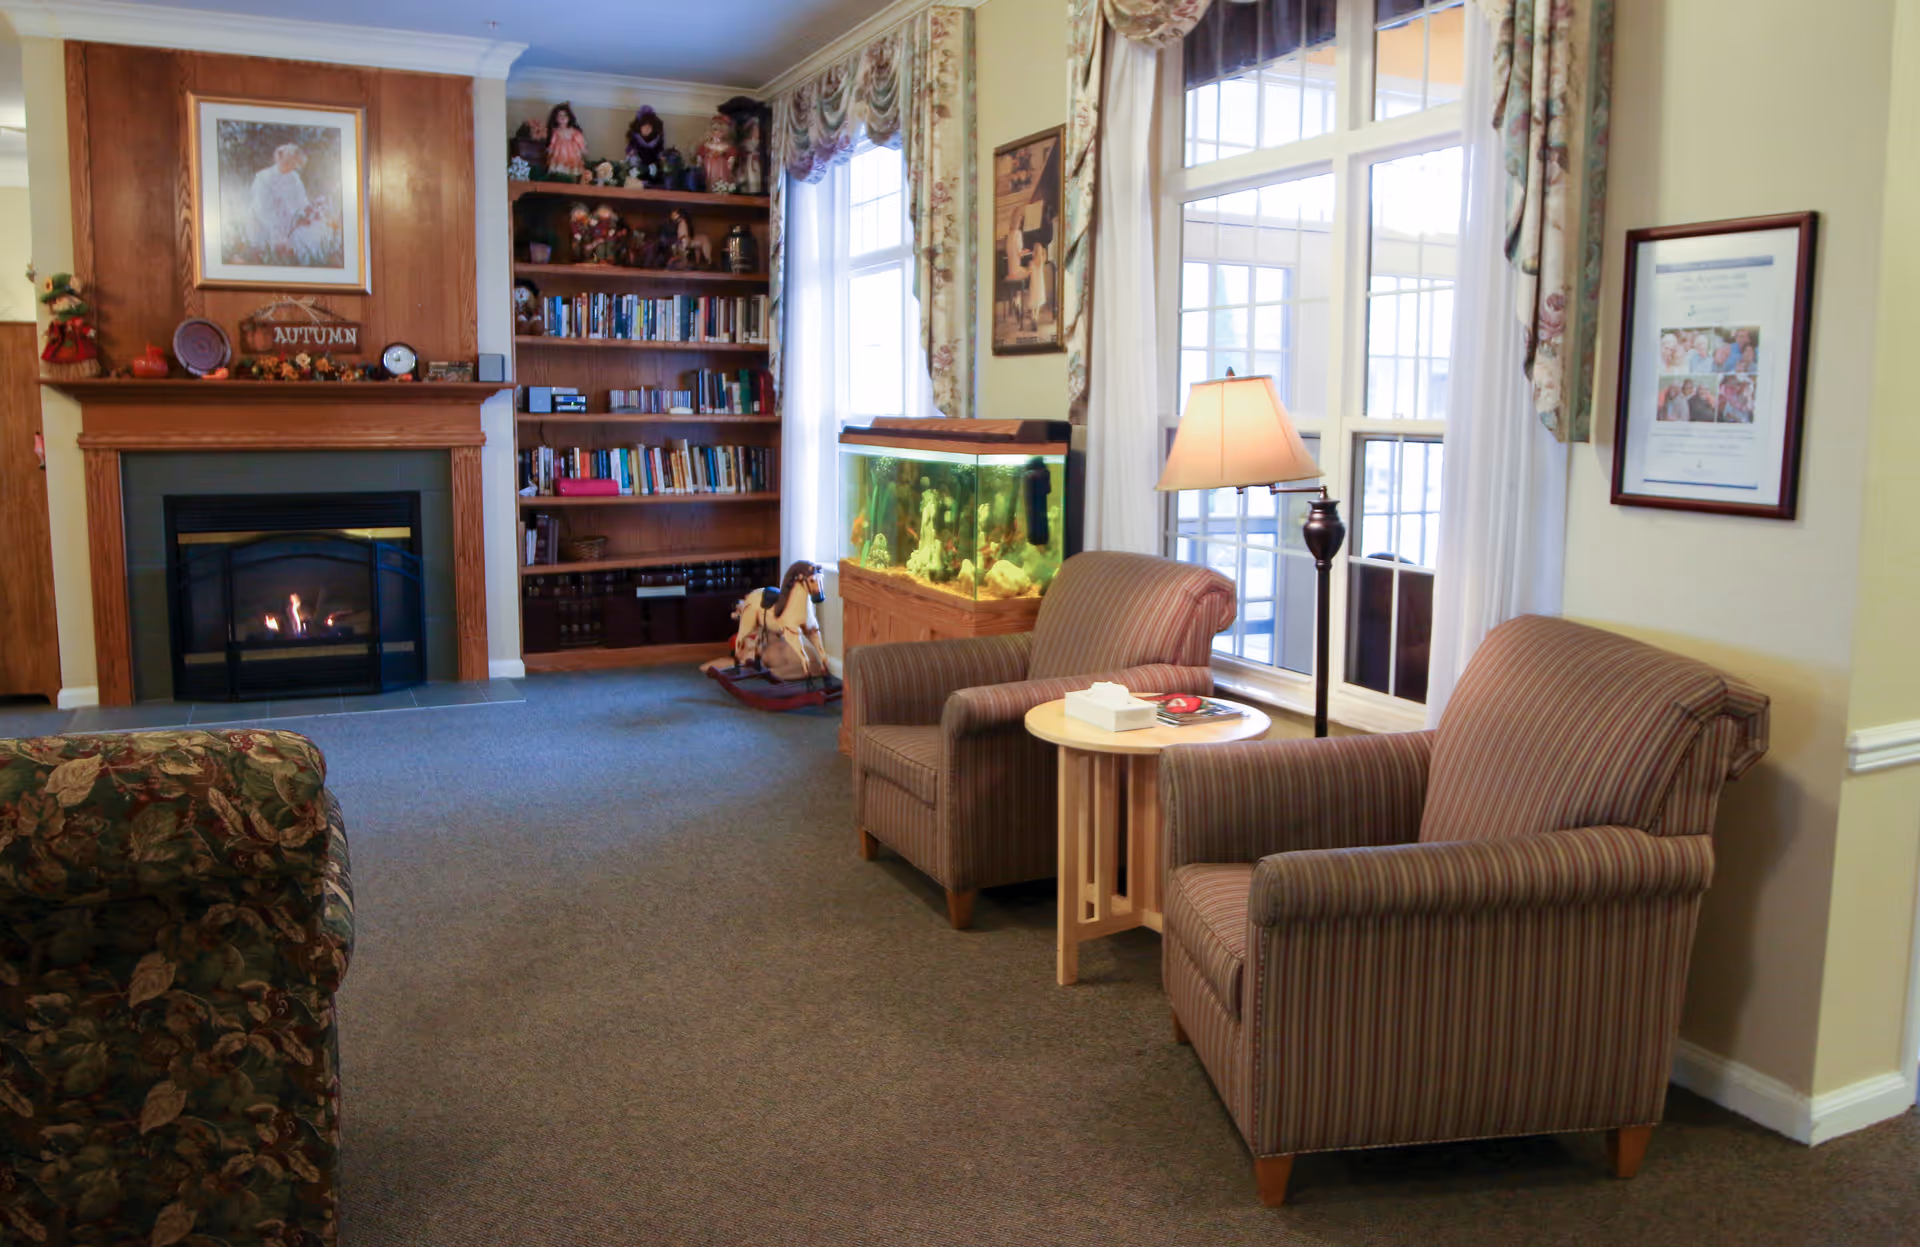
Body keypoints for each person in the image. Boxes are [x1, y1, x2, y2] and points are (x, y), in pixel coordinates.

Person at [249, 143, 309, 259]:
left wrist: (304, 213)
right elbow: (261, 208)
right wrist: (278, 230)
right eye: (289, 163)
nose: (291, 167)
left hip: (288, 223)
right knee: (269, 252)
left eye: (294, 164)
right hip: (265, 224)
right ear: (280, 160)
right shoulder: (264, 177)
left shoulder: (294, 178)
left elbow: (302, 199)